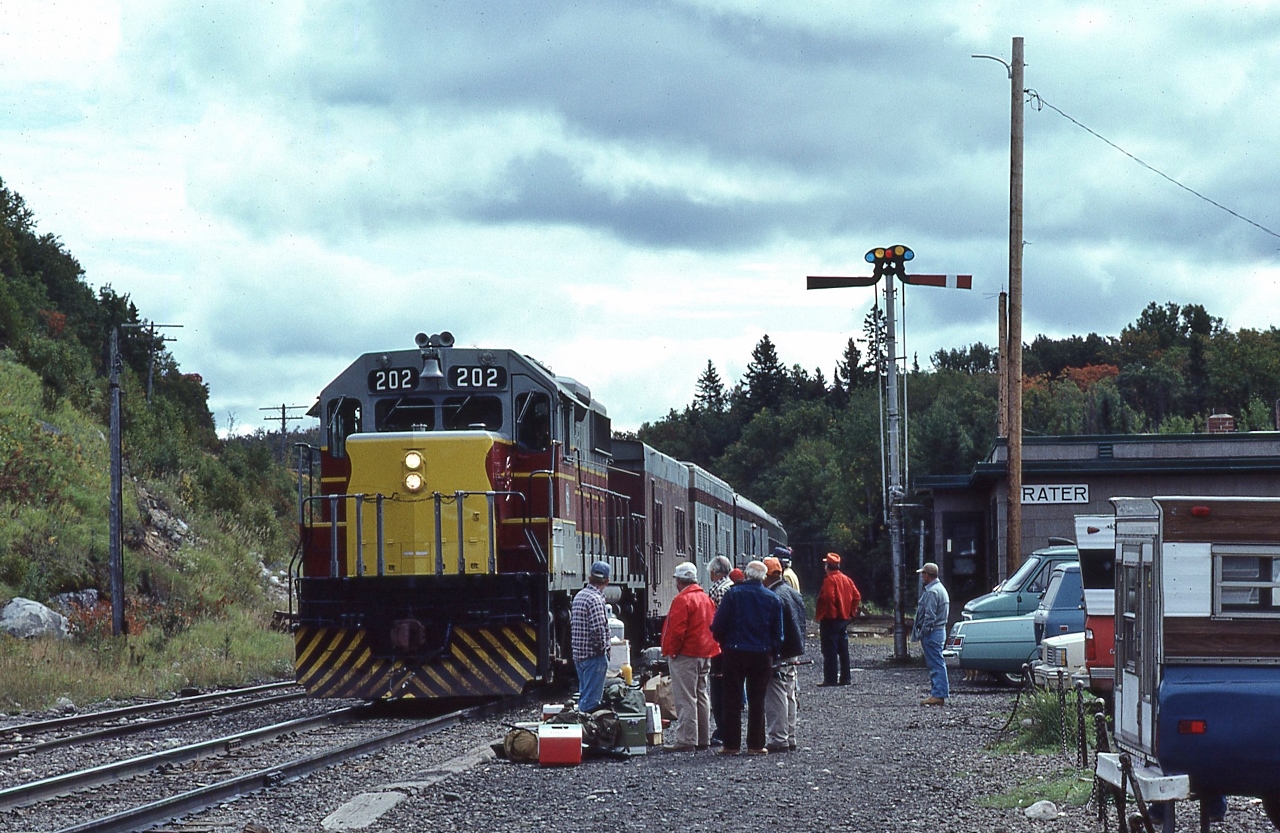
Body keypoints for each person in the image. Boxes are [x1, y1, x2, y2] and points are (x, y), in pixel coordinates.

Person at [711, 560, 783, 756]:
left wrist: (725, 643)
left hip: (734, 652)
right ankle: (756, 745)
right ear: (764, 577)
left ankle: (731, 745)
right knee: (757, 700)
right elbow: (779, 633)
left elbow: (717, 625)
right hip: (761, 655)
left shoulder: (733, 595)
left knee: (732, 699)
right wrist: (771, 651)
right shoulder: (773, 599)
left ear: (746, 574)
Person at [660, 561, 719, 751]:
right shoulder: (705, 598)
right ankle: (703, 738)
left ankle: (686, 739)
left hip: (686, 654)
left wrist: (673, 651)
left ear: (680, 581)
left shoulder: (682, 600)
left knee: (685, 698)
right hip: (705, 652)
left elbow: (677, 631)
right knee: (702, 695)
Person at [763, 556, 806, 752]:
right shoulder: (792, 592)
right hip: (794, 650)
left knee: (776, 694)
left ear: (766, 576)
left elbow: (775, 628)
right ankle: (790, 735)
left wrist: (772, 652)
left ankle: (778, 737)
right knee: (790, 693)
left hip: (781, 652)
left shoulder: (774, 596)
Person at [570, 560, 612, 712]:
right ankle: (587, 731)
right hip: (594, 657)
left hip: (579, 656)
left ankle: (582, 723)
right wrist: (604, 651)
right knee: (591, 701)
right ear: (607, 581)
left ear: (589, 577)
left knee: (584, 695)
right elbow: (598, 630)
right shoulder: (595, 599)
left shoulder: (579, 596)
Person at [815, 552, 860, 687]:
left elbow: (828, 597)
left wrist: (827, 613)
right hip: (843, 620)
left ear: (827, 565)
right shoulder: (847, 579)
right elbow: (857, 596)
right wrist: (851, 613)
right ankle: (846, 678)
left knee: (829, 650)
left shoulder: (829, 579)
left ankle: (830, 679)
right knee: (843, 650)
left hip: (831, 620)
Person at [912, 561, 951, 706]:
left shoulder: (932, 592)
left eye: (923, 573)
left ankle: (938, 694)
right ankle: (939, 692)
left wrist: (923, 632)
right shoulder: (939, 589)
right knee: (937, 662)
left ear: (928, 575)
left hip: (933, 632)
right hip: (939, 631)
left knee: (935, 663)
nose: (922, 576)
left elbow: (929, 616)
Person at [706, 555, 734, 746]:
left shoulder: (721, 591)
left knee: (719, 689)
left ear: (716, 572)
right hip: (726, 646)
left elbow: (722, 621)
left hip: (721, 648)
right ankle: (724, 728)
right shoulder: (729, 587)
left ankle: (723, 730)